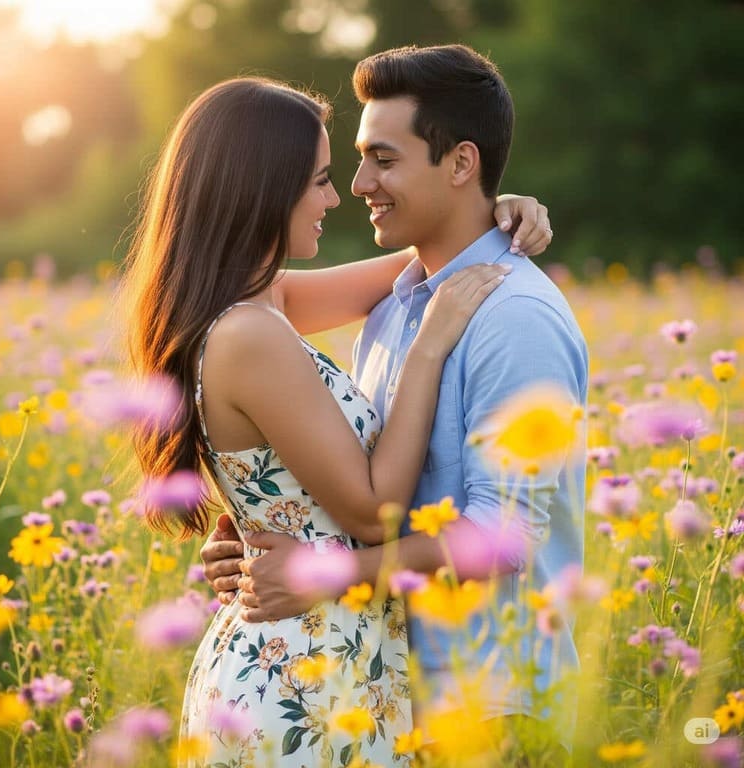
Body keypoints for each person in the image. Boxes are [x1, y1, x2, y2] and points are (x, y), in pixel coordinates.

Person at [120, 74, 552, 767]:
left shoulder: (258, 304)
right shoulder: (250, 332)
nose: (337, 194)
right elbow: (372, 509)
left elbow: (417, 262)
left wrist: (489, 210)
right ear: (264, 186)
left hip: (319, 654)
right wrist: (431, 345)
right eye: (319, 179)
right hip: (301, 671)